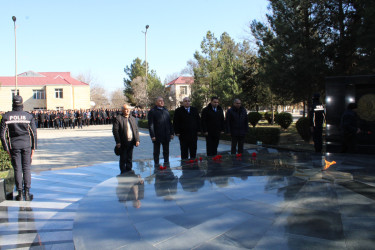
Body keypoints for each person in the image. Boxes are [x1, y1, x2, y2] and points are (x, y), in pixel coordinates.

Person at [0, 95, 37, 201]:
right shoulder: (28, 116)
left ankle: (20, 194)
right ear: (22, 104)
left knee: (17, 169)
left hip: (14, 146)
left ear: (13, 104)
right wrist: (33, 148)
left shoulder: (7, 117)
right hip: (26, 146)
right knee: (26, 169)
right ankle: (27, 193)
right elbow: (34, 133)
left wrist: (7, 149)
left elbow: (2, 135)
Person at [113, 104, 140, 174]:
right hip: (123, 142)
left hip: (131, 141)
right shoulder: (118, 118)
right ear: (122, 110)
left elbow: (136, 130)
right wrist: (118, 142)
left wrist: (137, 140)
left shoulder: (132, 118)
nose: (127, 110)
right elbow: (115, 131)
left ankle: (129, 169)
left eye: (128, 109)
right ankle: (123, 171)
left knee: (129, 157)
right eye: (125, 109)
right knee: (123, 157)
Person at [148, 97, 174, 166]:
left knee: (166, 151)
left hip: (166, 134)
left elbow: (169, 122)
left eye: (162, 100)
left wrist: (171, 133)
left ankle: (166, 163)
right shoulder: (152, 111)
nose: (162, 102)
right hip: (157, 135)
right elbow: (151, 125)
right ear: (156, 103)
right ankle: (156, 164)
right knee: (156, 152)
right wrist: (152, 135)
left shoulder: (166, 110)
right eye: (160, 101)